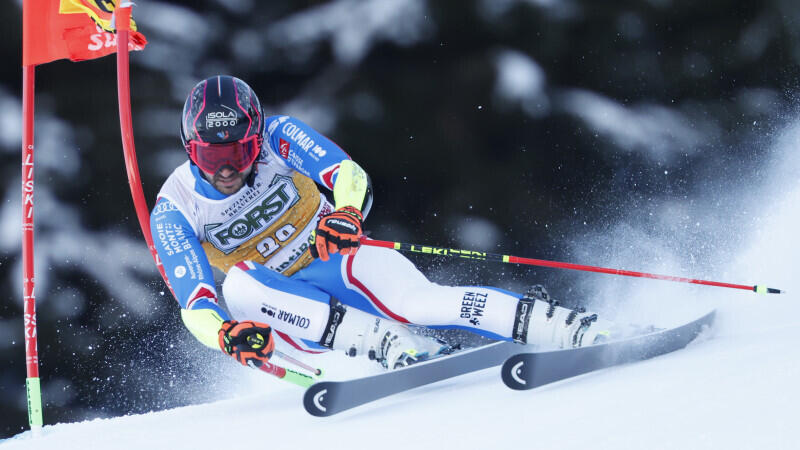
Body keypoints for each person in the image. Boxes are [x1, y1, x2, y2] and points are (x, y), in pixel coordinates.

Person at [150, 75, 612, 371]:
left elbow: (347, 175)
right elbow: (195, 303)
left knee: (423, 302)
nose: (226, 169)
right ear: (190, 148)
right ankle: (389, 344)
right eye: (211, 156)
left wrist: (347, 213)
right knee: (238, 288)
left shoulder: (278, 136)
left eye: (239, 153)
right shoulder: (175, 208)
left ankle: (565, 327)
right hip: (290, 316)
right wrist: (226, 336)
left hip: (336, 260)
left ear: (256, 136)